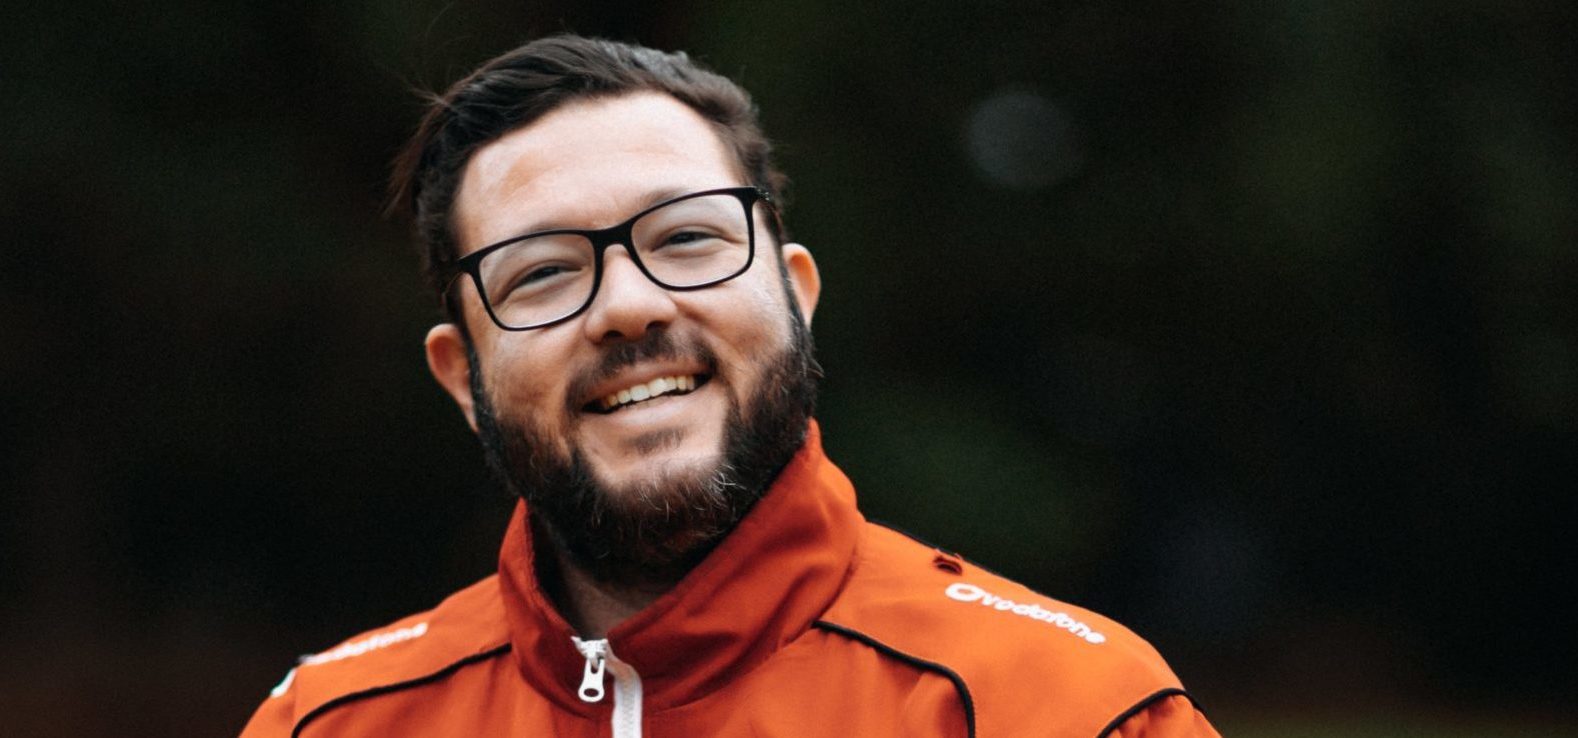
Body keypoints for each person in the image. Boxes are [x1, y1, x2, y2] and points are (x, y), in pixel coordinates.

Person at [240, 35, 1220, 738]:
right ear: (464, 377)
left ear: (796, 295)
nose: (628, 307)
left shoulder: (1065, 709)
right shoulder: (324, 722)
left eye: (686, 238)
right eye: (540, 272)